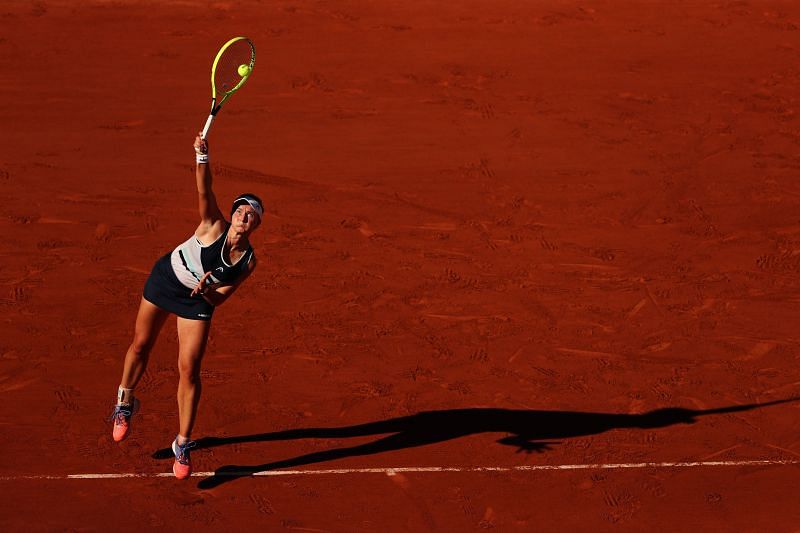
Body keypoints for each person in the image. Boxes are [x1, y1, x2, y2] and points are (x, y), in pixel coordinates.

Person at [109, 133, 263, 479]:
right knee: (140, 345)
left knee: (189, 369)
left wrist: (209, 289)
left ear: (256, 225)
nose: (242, 216)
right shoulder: (213, 224)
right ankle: (124, 401)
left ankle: (182, 441)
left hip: (196, 301)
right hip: (165, 279)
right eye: (240, 209)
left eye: (250, 214)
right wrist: (202, 157)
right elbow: (204, 190)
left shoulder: (248, 261)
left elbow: (224, 297)